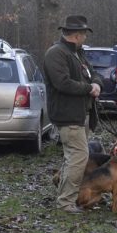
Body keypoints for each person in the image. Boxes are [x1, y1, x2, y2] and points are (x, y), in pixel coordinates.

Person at [43, 15, 102, 213]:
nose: (85, 37)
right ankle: (66, 202)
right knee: (79, 157)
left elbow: (94, 74)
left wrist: (96, 84)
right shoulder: (56, 54)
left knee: (74, 157)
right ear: (77, 35)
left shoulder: (78, 54)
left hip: (80, 115)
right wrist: (88, 88)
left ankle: (64, 194)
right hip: (68, 115)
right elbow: (62, 83)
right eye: (84, 34)